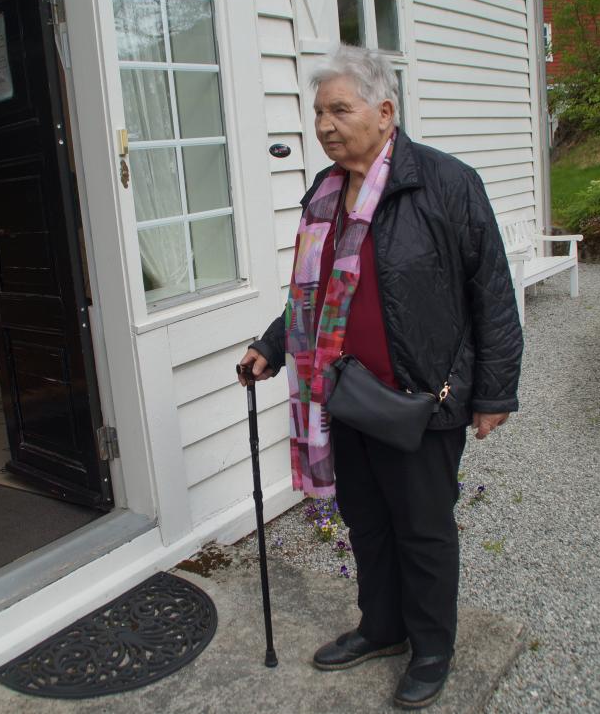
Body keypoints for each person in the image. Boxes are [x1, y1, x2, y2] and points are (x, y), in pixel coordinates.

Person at [237, 45, 523, 710]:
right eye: (319, 113)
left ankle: (432, 648)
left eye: (340, 110)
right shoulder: (325, 193)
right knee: (366, 521)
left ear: (385, 112)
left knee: (423, 529)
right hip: (344, 397)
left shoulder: (446, 183)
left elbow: (492, 294)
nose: (325, 125)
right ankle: (383, 627)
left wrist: (495, 391)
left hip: (419, 399)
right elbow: (311, 294)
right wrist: (272, 346)